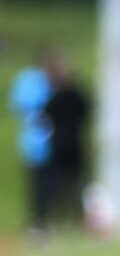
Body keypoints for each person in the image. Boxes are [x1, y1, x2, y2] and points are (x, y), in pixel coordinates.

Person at [35, 51, 91, 234]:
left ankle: (54, 219)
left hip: (59, 144)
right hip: (75, 143)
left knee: (57, 183)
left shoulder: (54, 99)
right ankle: (77, 218)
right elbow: (87, 110)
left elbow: (42, 119)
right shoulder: (76, 96)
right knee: (76, 183)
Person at [10, 45, 51, 235]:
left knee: (49, 184)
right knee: (38, 185)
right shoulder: (31, 80)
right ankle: (37, 223)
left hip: (52, 144)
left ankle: (46, 221)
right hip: (36, 143)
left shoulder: (52, 81)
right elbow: (21, 106)